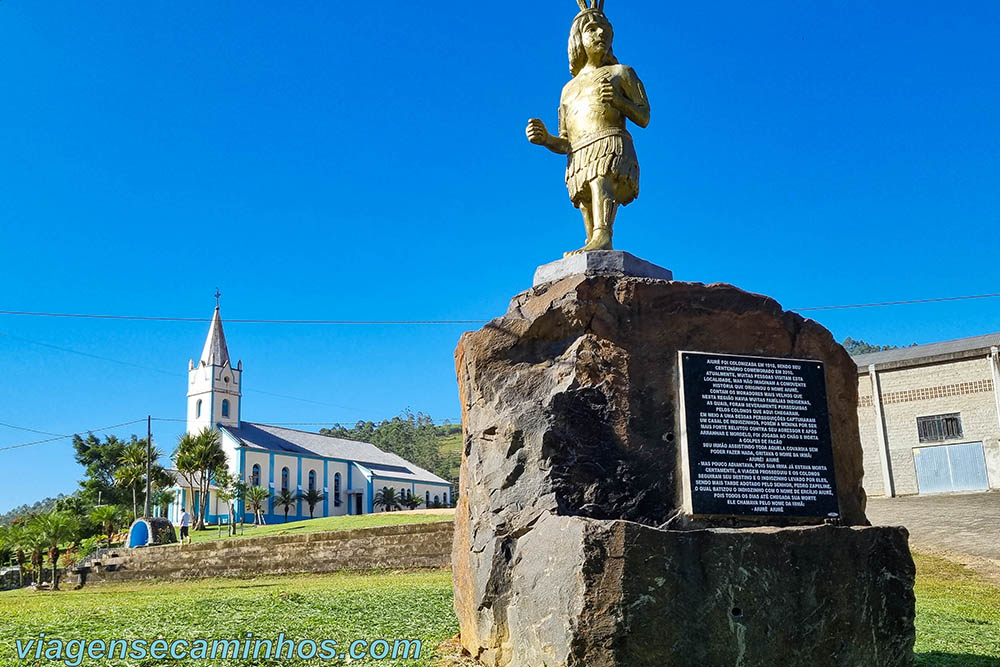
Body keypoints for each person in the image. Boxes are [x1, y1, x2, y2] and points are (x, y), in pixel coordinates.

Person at [526, 0, 650, 257]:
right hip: (579, 152)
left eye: (605, 29)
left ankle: (603, 235)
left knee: (600, 179)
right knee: (584, 195)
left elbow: (644, 116)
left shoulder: (621, 73)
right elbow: (565, 141)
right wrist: (546, 139)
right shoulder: (568, 90)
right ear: (577, 39)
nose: (601, 34)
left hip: (609, 143)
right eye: (592, 29)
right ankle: (591, 238)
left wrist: (618, 102)